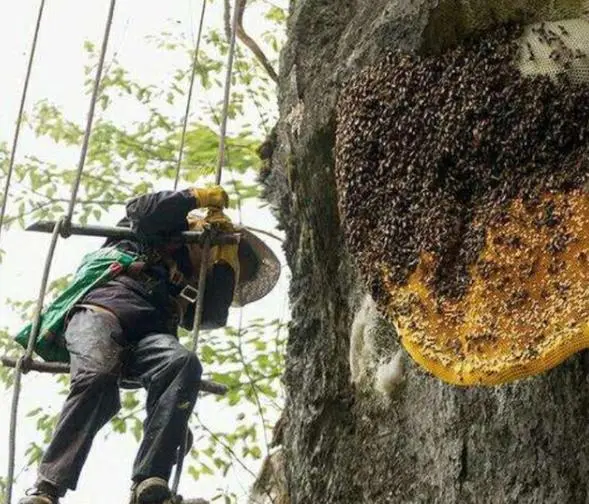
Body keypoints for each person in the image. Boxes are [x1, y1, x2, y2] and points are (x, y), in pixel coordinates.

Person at [18, 186, 280, 504]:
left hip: (150, 336)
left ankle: (150, 480)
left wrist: (223, 265)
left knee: (182, 362)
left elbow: (210, 315)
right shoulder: (151, 232)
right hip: (103, 312)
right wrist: (196, 197)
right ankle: (47, 487)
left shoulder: (183, 280)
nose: (208, 263)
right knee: (97, 376)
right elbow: (141, 211)